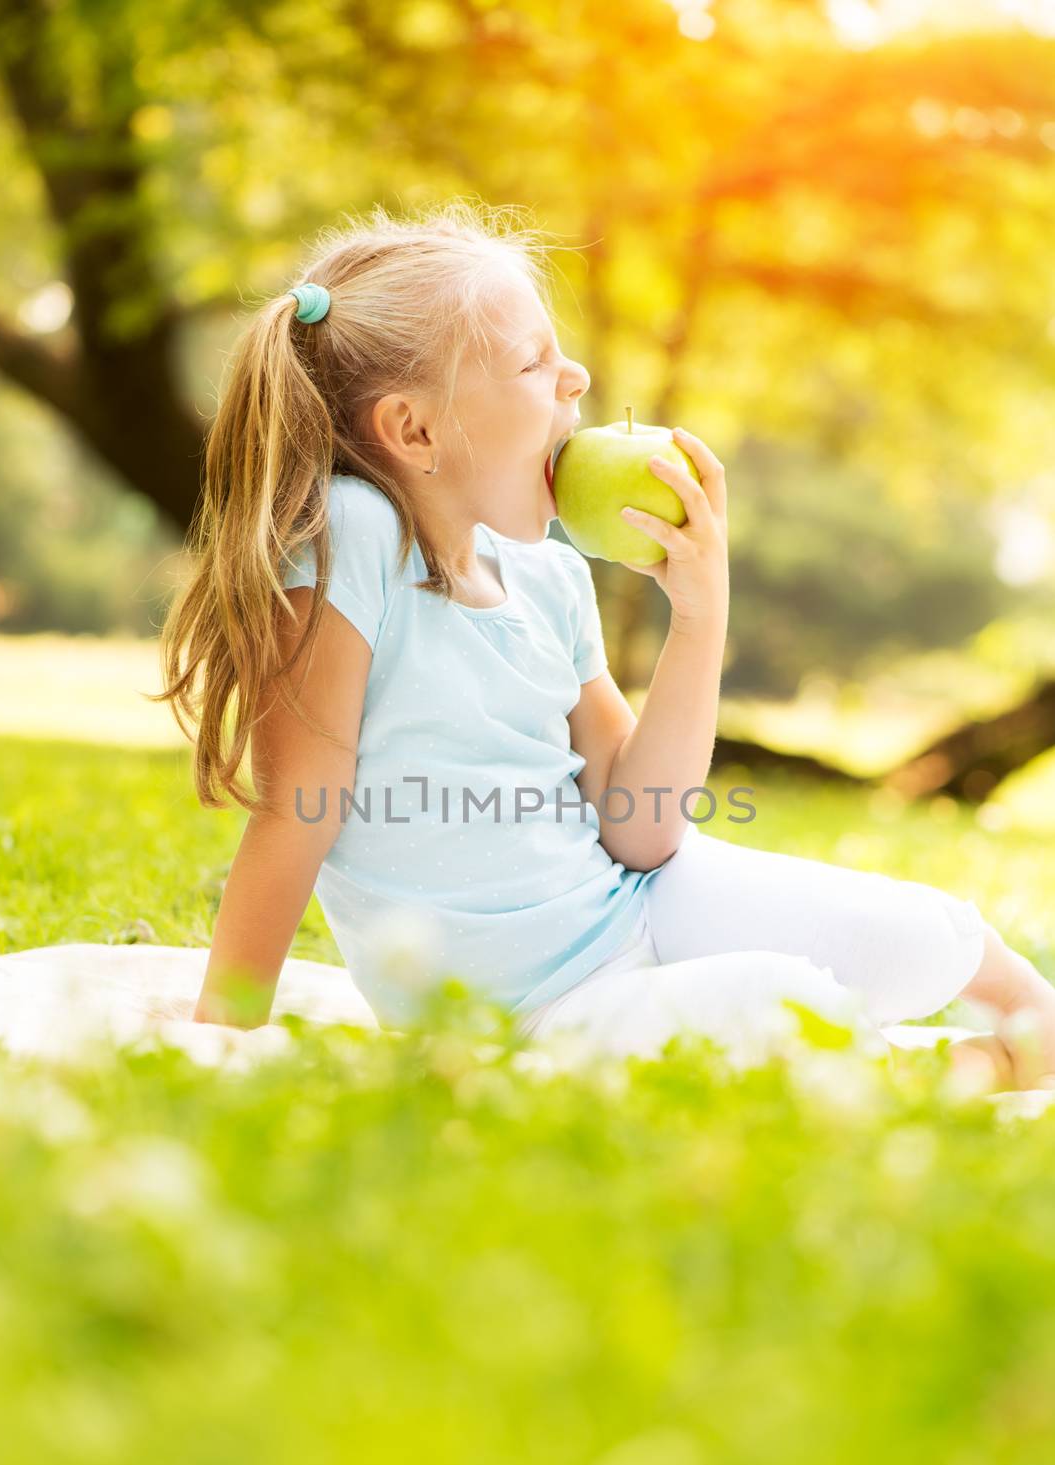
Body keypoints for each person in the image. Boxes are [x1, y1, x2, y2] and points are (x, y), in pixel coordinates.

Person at [152, 198, 1055, 1090]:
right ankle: (972, 1071)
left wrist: (698, 618)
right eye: (533, 364)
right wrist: (223, 1033)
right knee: (783, 1005)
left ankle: (1033, 1013)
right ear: (414, 430)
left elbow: (643, 831)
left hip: (641, 908)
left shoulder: (545, 575)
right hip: (532, 1013)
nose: (575, 378)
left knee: (902, 929)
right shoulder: (353, 540)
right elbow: (293, 813)